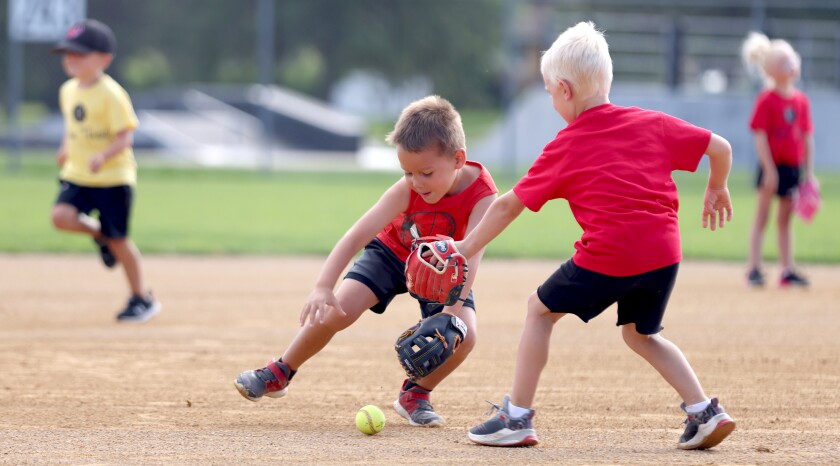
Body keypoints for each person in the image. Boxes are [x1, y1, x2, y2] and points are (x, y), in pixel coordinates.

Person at [456, 22, 736, 450]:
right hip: (664, 251)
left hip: (612, 252)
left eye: (550, 92)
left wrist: (465, 246)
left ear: (565, 90)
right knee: (642, 334)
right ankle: (704, 411)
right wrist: (717, 186)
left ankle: (517, 417)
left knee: (538, 311)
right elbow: (721, 147)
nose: (552, 101)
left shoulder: (566, 145)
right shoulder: (651, 122)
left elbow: (510, 204)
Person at [234, 95, 498, 427]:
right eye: (407, 172)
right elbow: (357, 234)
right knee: (337, 309)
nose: (415, 182)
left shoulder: (484, 196)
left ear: (458, 159)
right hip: (391, 253)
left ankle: (415, 393)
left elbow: (470, 258)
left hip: (444, 270)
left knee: (464, 334)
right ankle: (280, 371)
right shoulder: (407, 188)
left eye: (426, 172)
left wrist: (448, 316)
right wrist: (323, 286)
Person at [50, 19, 161, 323]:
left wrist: (103, 155)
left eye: (80, 53)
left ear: (104, 59)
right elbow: (73, 126)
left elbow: (126, 136)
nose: (71, 58)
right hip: (78, 172)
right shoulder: (68, 90)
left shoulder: (111, 94)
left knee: (120, 240)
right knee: (61, 217)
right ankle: (99, 235)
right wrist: (65, 148)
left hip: (113, 178)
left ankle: (142, 298)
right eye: (67, 53)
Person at [742, 31, 815, 288]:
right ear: (772, 71)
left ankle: (786, 269)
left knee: (785, 219)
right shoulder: (766, 100)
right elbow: (760, 137)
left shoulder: (801, 101)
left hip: (792, 167)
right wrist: (769, 169)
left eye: (791, 60)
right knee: (762, 216)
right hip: (772, 167)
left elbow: (807, 138)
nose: (792, 66)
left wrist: (809, 174)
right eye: (784, 63)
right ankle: (753, 268)